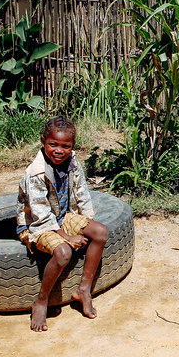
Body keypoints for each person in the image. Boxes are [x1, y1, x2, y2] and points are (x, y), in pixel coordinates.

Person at [17, 117, 108, 331]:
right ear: (43, 142)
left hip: (62, 216)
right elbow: (40, 215)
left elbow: (82, 193)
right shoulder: (35, 173)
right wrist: (67, 237)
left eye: (65, 146)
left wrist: (87, 222)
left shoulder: (73, 161)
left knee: (101, 232)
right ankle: (41, 300)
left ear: (72, 146)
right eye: (53, 145)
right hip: (36, 226)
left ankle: (83, 289)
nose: (59, 150)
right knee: (63, 252)